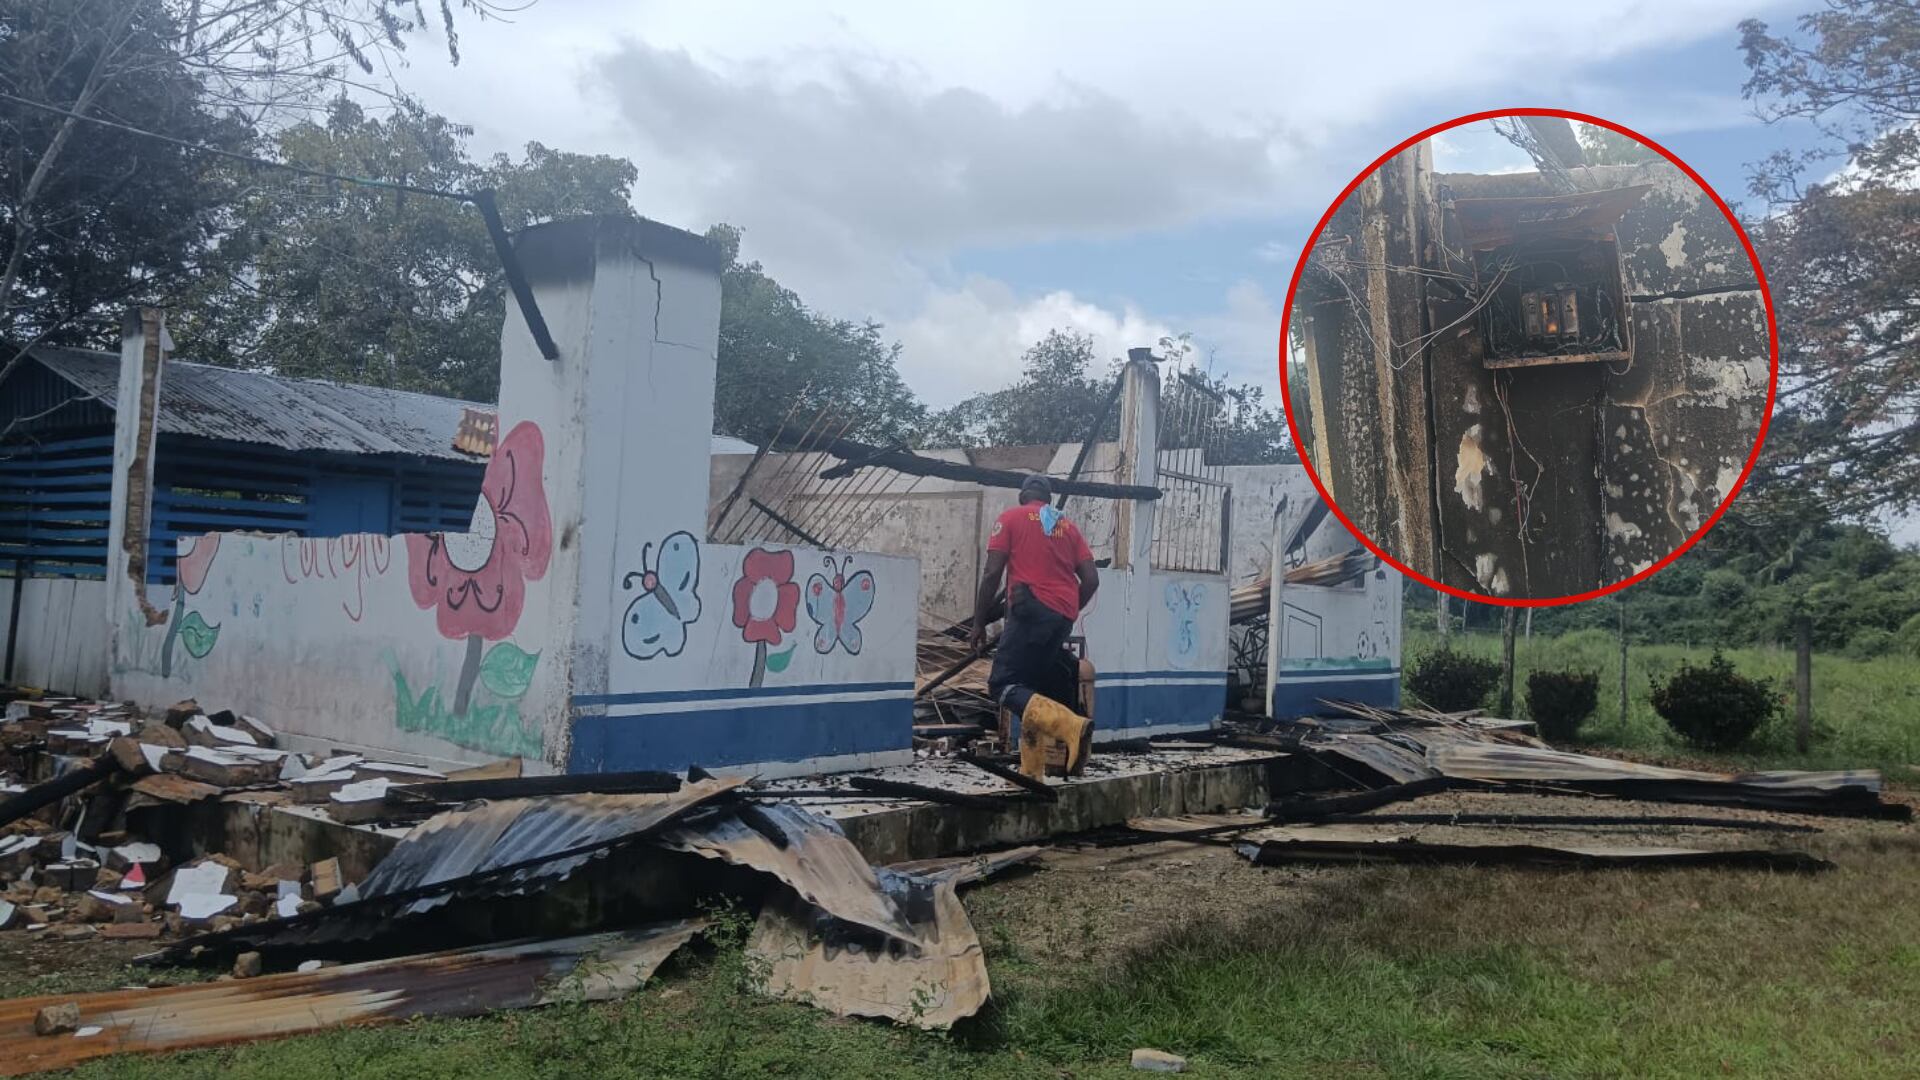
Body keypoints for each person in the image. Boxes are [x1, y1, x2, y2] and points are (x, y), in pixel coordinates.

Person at [969, 475, 1099, 777]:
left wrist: (978, 623)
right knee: (1030, 690)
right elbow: (1091, 580)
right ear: (1048, 499)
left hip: (1029, 612)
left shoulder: (1010, 518)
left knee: (1003, 685)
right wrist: (1065, 611)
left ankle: (1072, 725)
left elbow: (991, 574)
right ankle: (1032, 771)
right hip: (1063, 617)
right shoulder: (1066, 527)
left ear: (1022, 496)